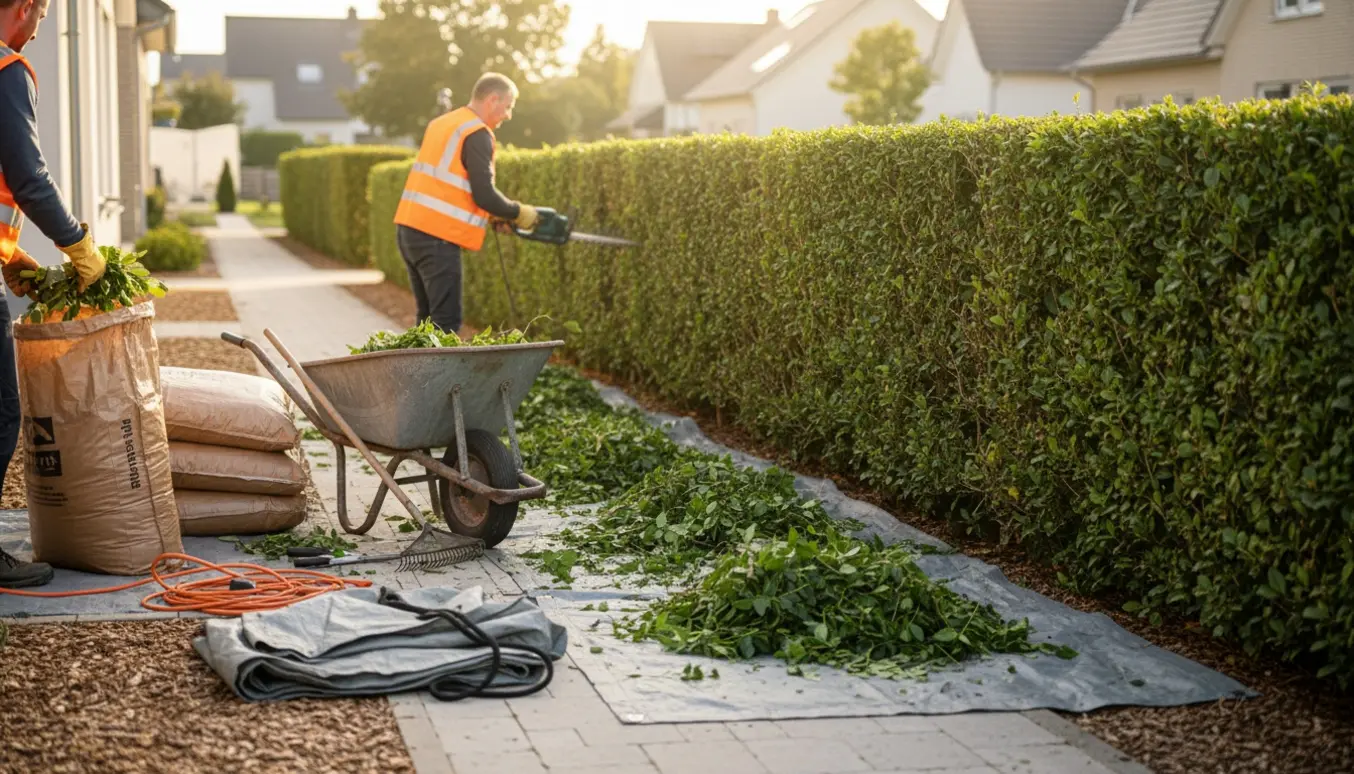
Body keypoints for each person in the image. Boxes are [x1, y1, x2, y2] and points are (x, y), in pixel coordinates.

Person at [0, 0, 107, 588]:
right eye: (40, 15)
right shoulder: (6, 69)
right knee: (1, 411)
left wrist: (12, 254)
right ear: (22, 7)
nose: (39, 30)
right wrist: (78, 245)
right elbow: (29, 178)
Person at [393, 72, 542, 334]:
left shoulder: (444, 123)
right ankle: (439, 377)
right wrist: (518, 212)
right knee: (445, 324)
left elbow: (448, 186)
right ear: (492, 99)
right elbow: (484, 194)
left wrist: (493, 216)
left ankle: (419, 375)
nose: (508, 115)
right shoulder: (476, 133)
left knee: (427, 322)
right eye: (507, 106)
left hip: (409, 229)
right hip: (436, 238)